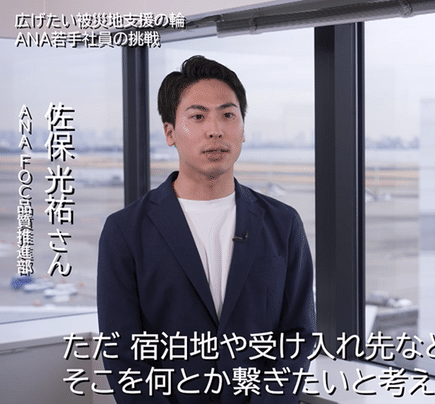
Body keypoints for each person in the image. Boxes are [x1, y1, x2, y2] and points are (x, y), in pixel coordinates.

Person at [97, 55, 316, 403]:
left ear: (243, 129)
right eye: (197, 117)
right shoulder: (124, 231)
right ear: (170, 132)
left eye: (228, 115)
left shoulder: (283, 223)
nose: (215, 130)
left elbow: (298, 337)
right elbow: (123, 354)